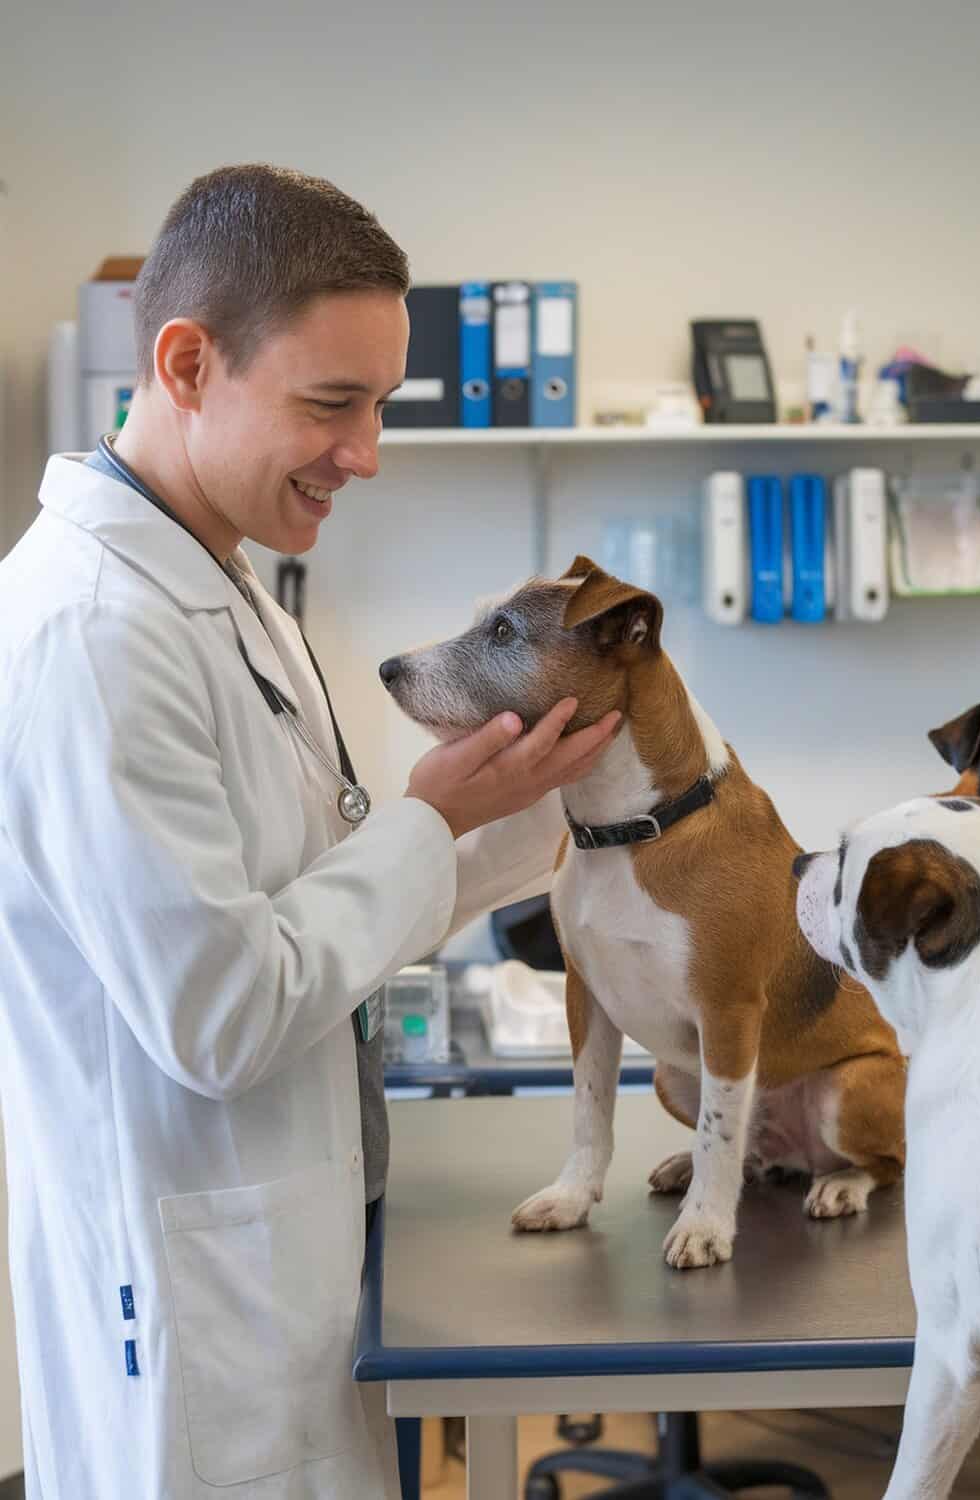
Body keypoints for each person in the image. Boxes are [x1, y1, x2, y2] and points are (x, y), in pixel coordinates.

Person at [0, 164, 619, 1499]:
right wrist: (427, 816)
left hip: (284, 1262)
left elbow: (309, 913)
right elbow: (222, 1012)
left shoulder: (227, 586)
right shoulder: (94, 636)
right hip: (192, 1308)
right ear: (185, 362)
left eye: (381, 405)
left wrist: (519, 815)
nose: (367, 454)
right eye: (331, 403)